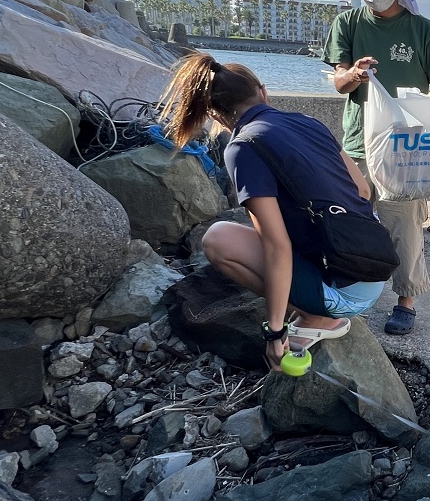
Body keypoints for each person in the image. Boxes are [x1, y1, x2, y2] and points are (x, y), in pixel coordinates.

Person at [159, 53, 386, 372]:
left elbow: (276, 246)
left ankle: (319, 318)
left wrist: (275, 330)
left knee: (217, 239)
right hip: (373, 269)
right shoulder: (309, 122)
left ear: (215, 115)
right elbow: (363, 191)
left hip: (345, 295)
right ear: (263, 91)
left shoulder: (243, 147)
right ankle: (319, 301)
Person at [323, 0, 430, 335]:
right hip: (357, 141)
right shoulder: (347, 24)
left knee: (403, 223)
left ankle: (406, 299)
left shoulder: (422, 29)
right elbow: (339, 82)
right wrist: (355, 74)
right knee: (349, 220)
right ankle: (350, 291)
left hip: (408, 146)